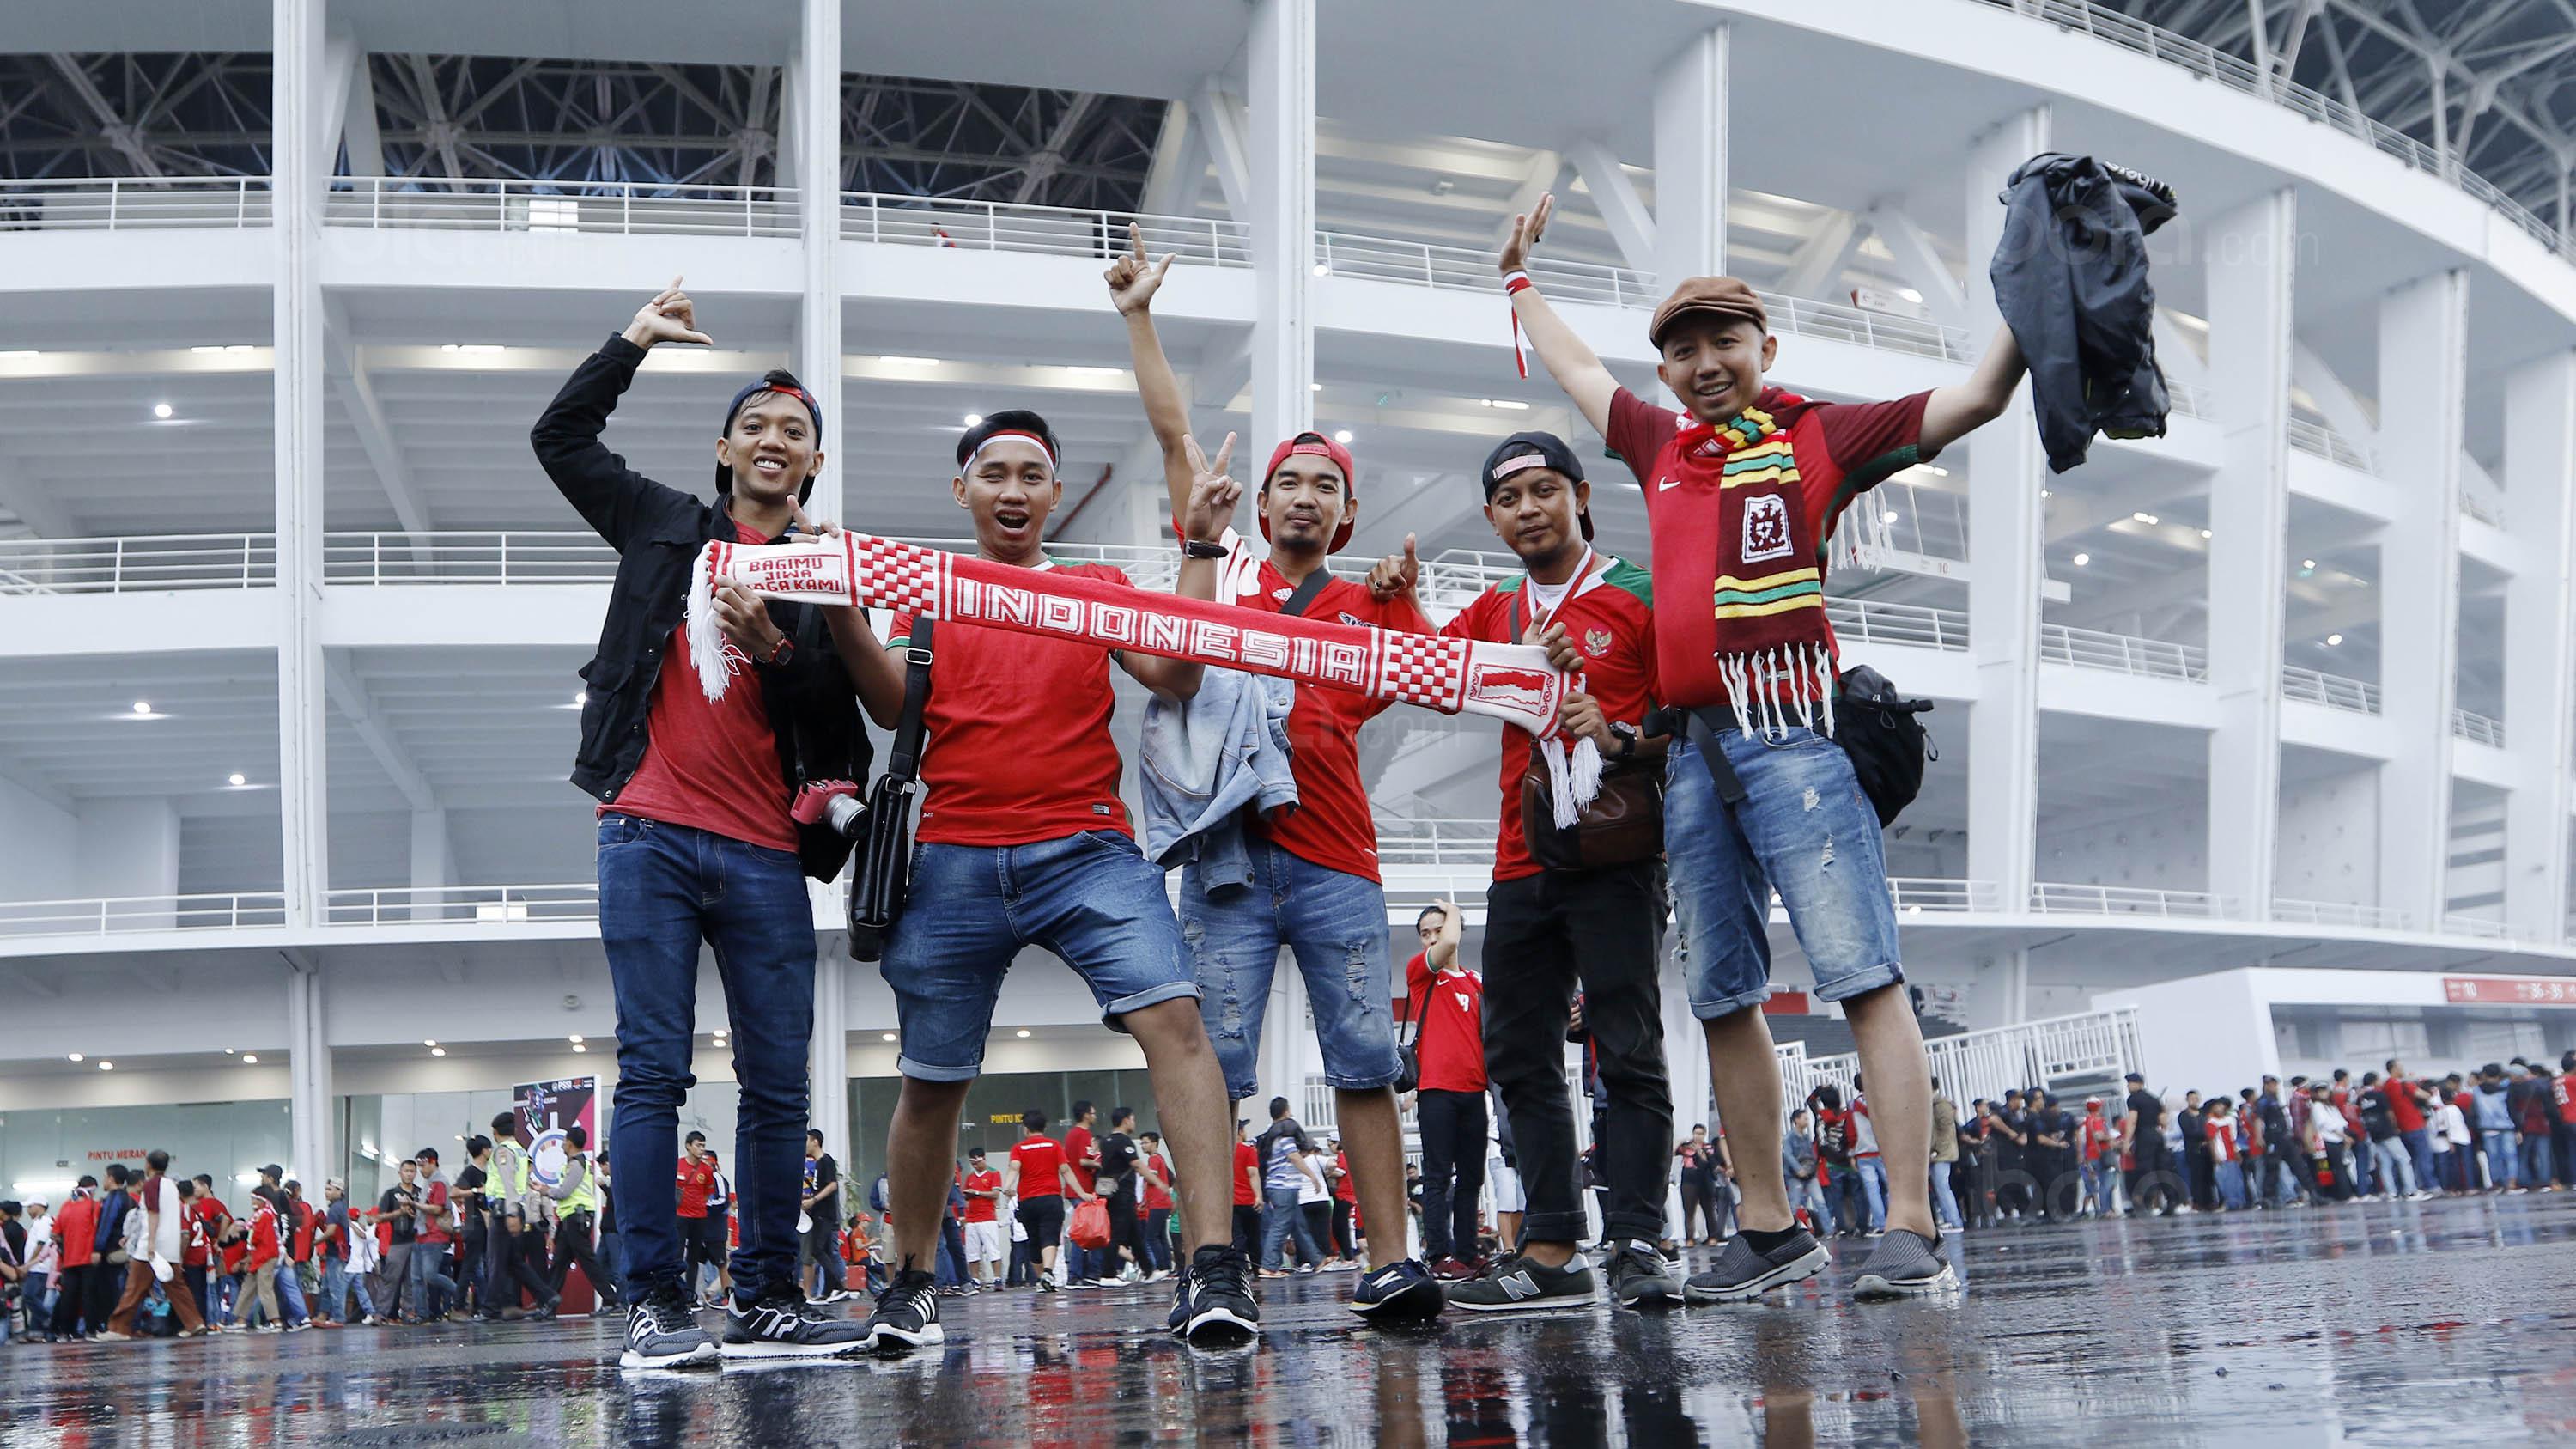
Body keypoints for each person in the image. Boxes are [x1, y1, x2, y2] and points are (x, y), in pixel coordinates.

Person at [1504, 194, 2025, 1301]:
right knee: (1723, 994)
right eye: (1681, 350)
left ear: (1764, 349)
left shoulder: (1817, 437)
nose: (1702, 365)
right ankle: (1769, 1225)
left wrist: (2031, 298)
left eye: (1722, 343)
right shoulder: (1658, 447)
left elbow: (1977, 395)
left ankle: (1913, 1222)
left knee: (1863, 977)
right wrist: (1517, 283)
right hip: (1694, 754)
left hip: (1794, 738)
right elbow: (1572, 372)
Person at [813, 409, 1255, 1352]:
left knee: (1176, 1024)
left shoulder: (1092, 586)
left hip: (1087, 849)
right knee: (932, 1080)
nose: (1012, 489)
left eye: (1031, 475)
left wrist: (1204, 545)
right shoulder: (932, 591)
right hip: (953, 858)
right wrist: (839, 600)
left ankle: (1214, 1269)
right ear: (963, 491)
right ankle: (911, 1282)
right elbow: (894, 700)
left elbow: (1175, 671)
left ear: (1054, 494)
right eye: (994, 473)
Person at [531, 278, 872, 1368]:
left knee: (782, 1084)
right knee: (655, 1071)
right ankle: (652, 1304)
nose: (777, 439)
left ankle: (767, 1296)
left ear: (813, 466)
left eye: (798, 431)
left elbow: (839, 727)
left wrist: (777, 646)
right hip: (650, 836)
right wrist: (632, 340)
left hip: (769, 855)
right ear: (727, 449)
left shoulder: (823, 580)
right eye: (759, 425)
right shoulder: (663, 523)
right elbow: (559, 436)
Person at [1109, 229, 1443, 1322]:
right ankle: (1219, 1265)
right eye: (1286, 482)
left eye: (1324, 487)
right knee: (1216, 1065)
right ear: (1259, 507)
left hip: (1337, 857)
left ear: (1345, 516)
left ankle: (1390, 1258)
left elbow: (1437, 680)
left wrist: (1404, 597)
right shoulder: (1227, 583)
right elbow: (1174, 440)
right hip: (1227, 865)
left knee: (1362, 1063)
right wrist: (1140, 320)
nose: (1302, 497)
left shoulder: (1366, 606)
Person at [1376, 435, 1677, 1312]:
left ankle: (1636, 1242)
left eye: (1546, 490)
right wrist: (1401, 609)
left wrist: (1614, 724)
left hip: (1617, 855)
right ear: (1493, 519)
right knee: (1519, 1052)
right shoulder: (1498, 607)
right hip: (1520, 858)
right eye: (1512, 500)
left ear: (1580, 495)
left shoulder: (1638, 596)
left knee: (1627, 1046)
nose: (1531, 509)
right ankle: (1550, 1247)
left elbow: (1687, 714)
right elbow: (1433, 680)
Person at [1398, 903, 1488, 1279]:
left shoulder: (1475, 980)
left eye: (1438, 929)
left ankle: (1467, 1254)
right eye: (1425, 933)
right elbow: (1450, 940)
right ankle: (1438, 1256)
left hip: (1474, 1090)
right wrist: (1451, 908)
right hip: (1436, 1090)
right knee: (1438, 1177)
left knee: (1472, 1179)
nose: (1433, 938)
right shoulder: (1421, 972)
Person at [100, 1150, 205, 1340]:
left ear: (148, 1164)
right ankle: (195, 1323)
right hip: (170, 1246)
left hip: (151, 1248)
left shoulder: (151, 1185)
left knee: (133, 1288)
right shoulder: (172, 1186)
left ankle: (118, 1329)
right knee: (177, 1287)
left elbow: (153, 1213)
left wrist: (149, 1243)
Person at [1003, 1111, 1086, 1293]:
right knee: (1050, 1236)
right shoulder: (1054, 1145)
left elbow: (1014, 1168)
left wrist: (1007, 1186)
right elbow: (1066, 1171)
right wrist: (1082, 1193)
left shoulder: (1019, 1148)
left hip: (1028, 1200)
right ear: (1045, 1127)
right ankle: (1048, 1272)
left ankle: (1041, 1279)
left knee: (1033, 1239)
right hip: (1051, 1198)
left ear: (1025, 1129)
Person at [1253, 1098, 1329, 1277]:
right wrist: (1312, 1176)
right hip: (1284, 1187)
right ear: (1286, 1112)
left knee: (1298, 1226)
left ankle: (1317, 1260)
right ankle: (1269, 1266)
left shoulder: (1270, 1135)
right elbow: (1294, 1157)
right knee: (1280, 1226)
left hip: (1281, 1187)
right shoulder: (1285, 1135)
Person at [545, 1126, 612, 1305]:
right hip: (571, 1217)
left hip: (577, 1217)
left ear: (570, 1142)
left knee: (587, 1261)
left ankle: (612, 1300)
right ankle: (548, 1303)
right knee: (559, 1261)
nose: (562, 1144)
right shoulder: (578, 1163)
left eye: (565, 1141)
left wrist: (545, 1191)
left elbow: (564, 1192)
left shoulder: (576, 1164)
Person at [799, 1129, 848, 1302]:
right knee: (825, 1250)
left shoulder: (826, 1161)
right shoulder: (818, 1164)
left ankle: (841, 1286)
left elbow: (832, 1185)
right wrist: (807, 1198)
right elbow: (818, 1188)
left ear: (815, 1142)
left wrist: (814, 1200)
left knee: (816, 1249)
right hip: (817, 1212)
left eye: (806, 1141)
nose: (804, 1145)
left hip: (825, 1214)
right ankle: (828, 1291)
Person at [2122, 1075, 2177, 1215]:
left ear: (2138, 1084)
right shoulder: (2153, 1099)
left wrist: (2127, 1141)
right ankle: (2171, 1200)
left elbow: (2132, 1120)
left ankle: (2146, 1204)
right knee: (2162, 1168)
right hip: (2157, 1135)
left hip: (2143, 1136)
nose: (2128, 1086)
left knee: (2145, 1169)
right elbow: (2163, 1122)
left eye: (2130, 1083)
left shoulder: (2133, 1099)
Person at [958, 1148, 1006, 1288]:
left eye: (977, 1162)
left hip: (987, 1218)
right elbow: (966, 1197)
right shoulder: (970, 1177)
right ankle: (976, 1280)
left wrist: (978, 1193)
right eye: (972, 1163)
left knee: (993, 1249)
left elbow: (995, 1194)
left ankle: (997, 1278)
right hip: (972, 1219)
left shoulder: (994, 1173)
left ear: (983, 1158)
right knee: (972, 1252)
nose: (975, 1166)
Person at [1783, 1111, 1833, 1237]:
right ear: (1796, 1120)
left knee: (1819, 1202)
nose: (1807, 1120)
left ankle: (1829, 1231)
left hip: (1810, 1175)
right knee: (1794, 1204)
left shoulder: (1805, 1137)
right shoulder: (1789, 1138)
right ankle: (1791, 1234)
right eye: (1804, 1118)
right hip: (1795, 1176)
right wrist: (1799, 1169)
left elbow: (1812, 1154)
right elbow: (1787, 1155)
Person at [1139, 1134, 1178, 1281]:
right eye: (1142, 1143)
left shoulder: (1153, 1159)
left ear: (1155, 1143)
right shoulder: (1159, 1158)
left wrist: (1140, 1169)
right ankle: (1166, 1266)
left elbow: (1150, 1177)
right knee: (1161, 1236)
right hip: (1161, 1203)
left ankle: (1161, 1267)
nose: (1143, 1145)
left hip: (1158, 1203)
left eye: (1146, 1142)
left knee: (1151, 1236)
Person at [1677, 1127, 1722, 1246]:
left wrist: (1699, 1150)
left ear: (1705, 1135)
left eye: (1701, 1134)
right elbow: (1672, 1152)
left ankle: (1713, 1236)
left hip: (1705, 1181)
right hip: (1689, 1180)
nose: (1698, 1136)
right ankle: (1690, 1238)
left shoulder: (1708, 1147)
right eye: (1696, 1133)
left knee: (1709, 1210)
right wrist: (1680, 1141)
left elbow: (1710, 1162)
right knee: (1689, 1211)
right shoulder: (1686, 1147)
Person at [1927, 1084, 1963, 1231]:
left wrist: (1933, 1149)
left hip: (1941, 1153)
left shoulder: (1940, 1104)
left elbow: (1941, 1130)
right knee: (1941, 1187)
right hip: (1941, 1152)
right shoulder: (1939, 1103)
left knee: (1942, 1187)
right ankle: (1951, 1219)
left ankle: (1953, 1221)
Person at [1231, 1120, 1262, 1254]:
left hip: (1231, 1202)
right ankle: (1257, 1268)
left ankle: (1241, 1268)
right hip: (1249, 1200)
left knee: (1237, 1237)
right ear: (1240, 1132)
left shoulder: (1224, 1153)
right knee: (1254, 1237)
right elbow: (1253, 1174)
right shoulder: (1248, 1151)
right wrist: (1258, 1196)